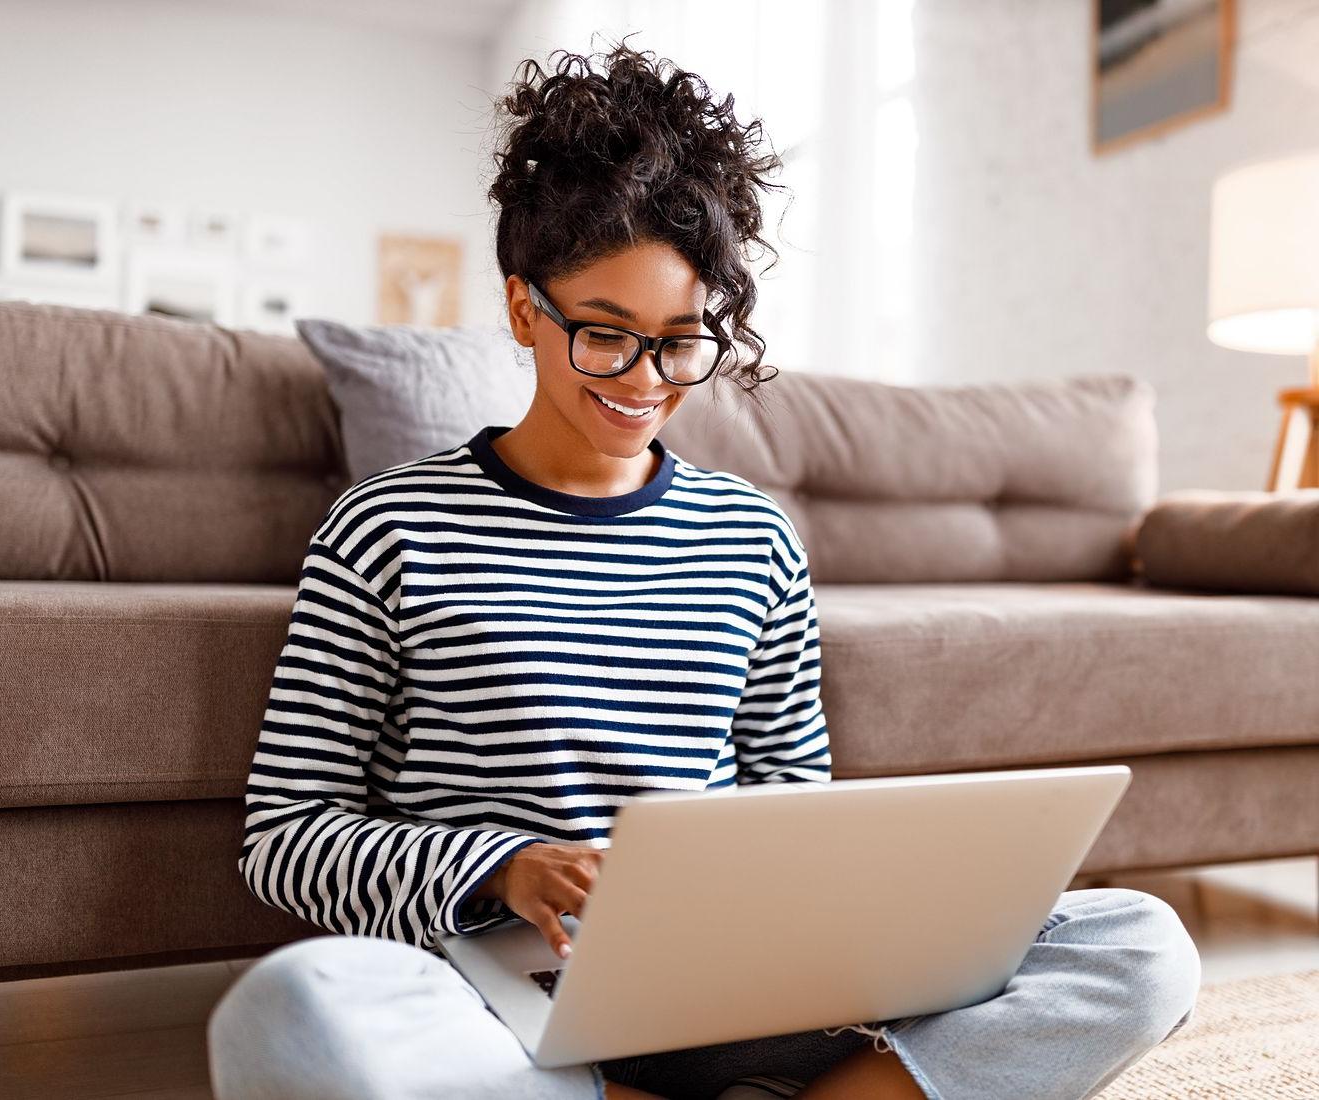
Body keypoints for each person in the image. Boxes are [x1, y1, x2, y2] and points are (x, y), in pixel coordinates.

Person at [207, 39, 1201, 1100]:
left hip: (736, 989)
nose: (645, 380)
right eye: (605, 334)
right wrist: (498, 865)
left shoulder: (753, 536)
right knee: (297, 1008)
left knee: (1142, 944)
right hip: (494, 991)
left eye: (682, 342)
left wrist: (842, 926)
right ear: (521, 309)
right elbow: (288, 834)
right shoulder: (385, 527)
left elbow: (796, 805)